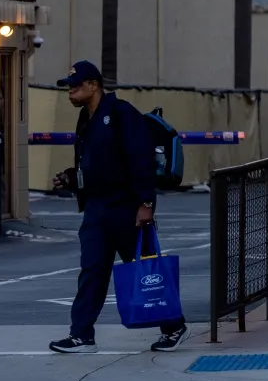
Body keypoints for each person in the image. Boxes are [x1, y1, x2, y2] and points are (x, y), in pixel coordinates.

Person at [47, 60, 187, 353]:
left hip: (127, 208)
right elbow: (96, 166)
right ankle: (82, 335)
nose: (70, 92)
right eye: (68, 88)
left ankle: (174, 326)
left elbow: (141, 161)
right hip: (97, 208)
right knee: (92, 271)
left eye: (75, 87)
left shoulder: (123, 114)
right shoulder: (85, 119)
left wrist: (146, 203)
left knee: (145, 268)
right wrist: (72, 179)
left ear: (94, 85)